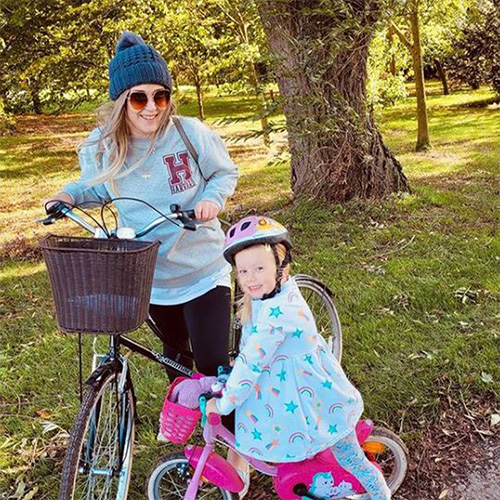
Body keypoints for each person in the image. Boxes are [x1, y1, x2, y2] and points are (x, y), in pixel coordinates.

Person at [45, 32, 238, 381]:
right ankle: (184, 422)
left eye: (160, 97)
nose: (151, 107)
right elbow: (95, 187)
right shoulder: (105, 147)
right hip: (150, 274)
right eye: (139, 99)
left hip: (202, 268)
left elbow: (223, 173)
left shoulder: (188, 134)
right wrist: (67, 197)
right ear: (122, 101)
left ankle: (226, 423)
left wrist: (211, 199)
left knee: (211, 365)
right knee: (175, 360)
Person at [205, 216, 392, 500]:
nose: (251, 278)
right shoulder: (268, 298)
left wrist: (224, 402)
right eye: (243, 271)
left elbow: (252, 362)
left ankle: (380, 495)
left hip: (318, 400)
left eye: (259, 268)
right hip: (296, 394)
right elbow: (253, 349)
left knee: (351, 458)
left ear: (281, 268)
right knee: (306, 457)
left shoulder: (278, 316)